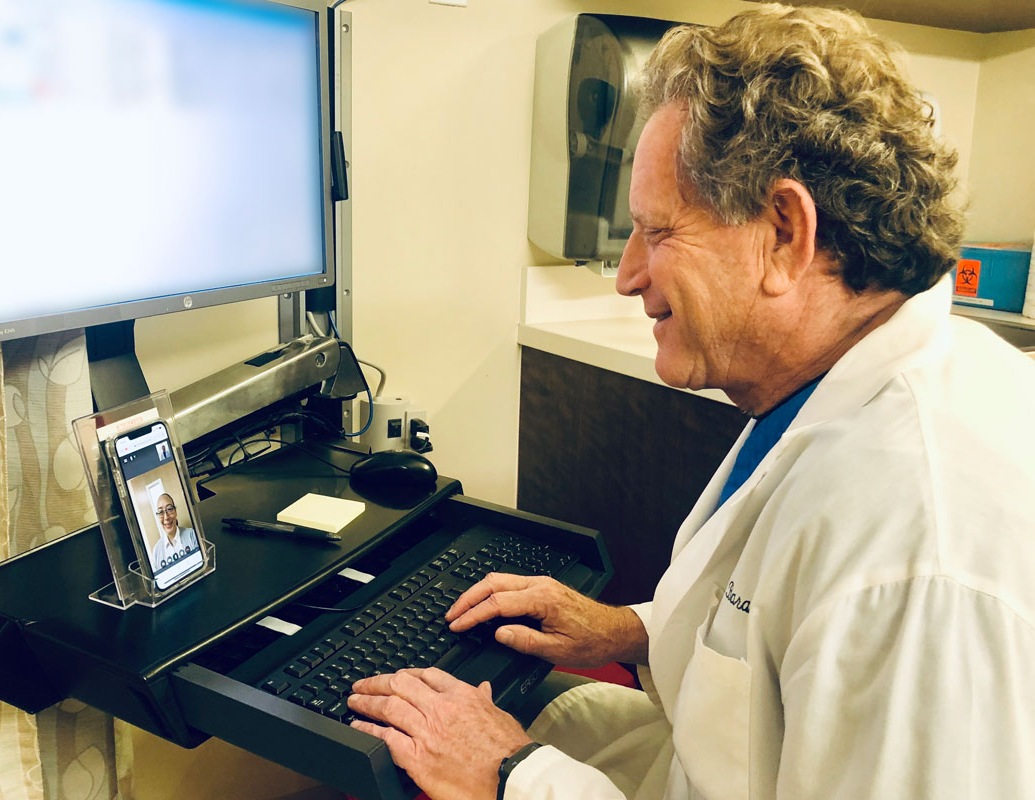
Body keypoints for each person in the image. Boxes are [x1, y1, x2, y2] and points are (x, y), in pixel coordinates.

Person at [346, 5, 1035, 799]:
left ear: (784, 232)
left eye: (658, 233)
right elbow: (770, 633)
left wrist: (511, 779)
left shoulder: (918, 550)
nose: (627, 274)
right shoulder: (827, 390)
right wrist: (627, 630)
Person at [150, 492, 198, 568]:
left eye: (169, 509)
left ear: (175, 511)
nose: (166, 517)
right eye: (160, 512)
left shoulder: (192, 535)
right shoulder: (156, 551)